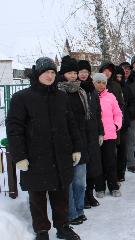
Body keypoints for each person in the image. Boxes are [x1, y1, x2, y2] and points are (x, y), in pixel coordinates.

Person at [6, 57, 81, 240]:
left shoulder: (61, 97)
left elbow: (71, 124)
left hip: (60, 156)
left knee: (61, 196)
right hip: (35, 158)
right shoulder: (22, 98)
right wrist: (20, 156)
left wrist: (76, 148)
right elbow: (14, 129)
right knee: (38, 197)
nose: (50, 75)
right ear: (38, 73)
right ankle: (41, 230)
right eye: (46, 72)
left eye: (53, 72)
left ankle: (63, 227)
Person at [57, 56, 91, 226]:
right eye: (69, 72)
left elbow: (86, 117)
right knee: (68, 181)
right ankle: (70, 213)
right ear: (63, 74)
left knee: (80, 180)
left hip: (81, 140)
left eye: (74, 72)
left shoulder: (81, 91)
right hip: (64, 141)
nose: (73, 76)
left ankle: (79, 209)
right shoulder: (57, 92)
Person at [77, 60, 104, 209]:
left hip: (93, 132)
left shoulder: (92, 90)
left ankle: (89, 194)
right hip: (81, 133)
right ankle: (82, 197)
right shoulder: (74, 89)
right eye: (81, 71)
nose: (83, 74)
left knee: (93, 165)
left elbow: (98, 113)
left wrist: (101, 132)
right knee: (82, 167)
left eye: (86, 72)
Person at [93, 73, 123, 198]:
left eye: (103, 83)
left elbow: (118, 113)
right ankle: (99, 187)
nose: (101, 85)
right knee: (97, 163)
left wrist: (116, 125)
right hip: (95, 136)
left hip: (109, 135)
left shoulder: (111, 97)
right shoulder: (89, 96)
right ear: (94, 83)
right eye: (98, 82)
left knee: (110, 162)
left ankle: (113, 186)